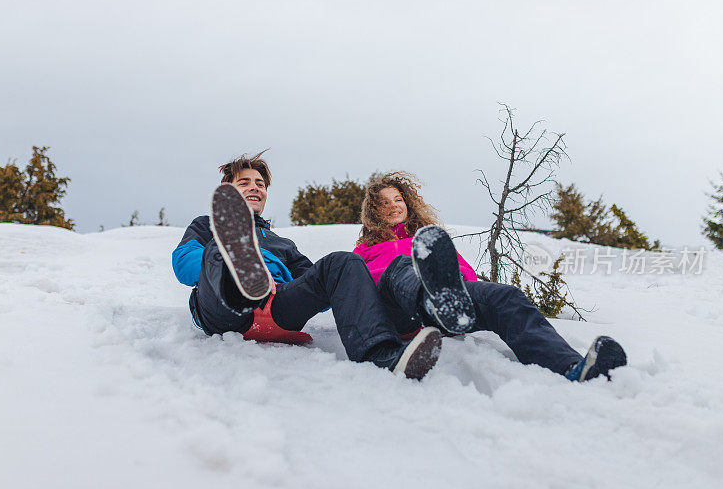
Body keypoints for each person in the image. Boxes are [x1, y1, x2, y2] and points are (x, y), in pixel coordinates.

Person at [171, 152, 442, 380]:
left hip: (276, 306)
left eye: (260, 184)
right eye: (244, 182)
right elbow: (184, 264)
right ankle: (240, 278)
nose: (255, 187)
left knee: (344, 262)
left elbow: (316, 287)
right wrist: (232, 260)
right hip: (223, 308)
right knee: (221, 247)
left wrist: (285, 287)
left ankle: (381, 354)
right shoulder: (206, 225)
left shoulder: (282, 244)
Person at [353, 171, 627, 381]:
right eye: (383, 202)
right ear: (373, 211)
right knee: (402, 265)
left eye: (398, 199)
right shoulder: (365, 249)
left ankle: (571, 368)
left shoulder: (429, 241)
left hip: (448, 307)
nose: (393, 205)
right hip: (400, 310)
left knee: (507, 296)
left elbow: (466, 275)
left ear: (408, 204)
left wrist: (472, 295)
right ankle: (435, 299)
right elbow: (352, 291)